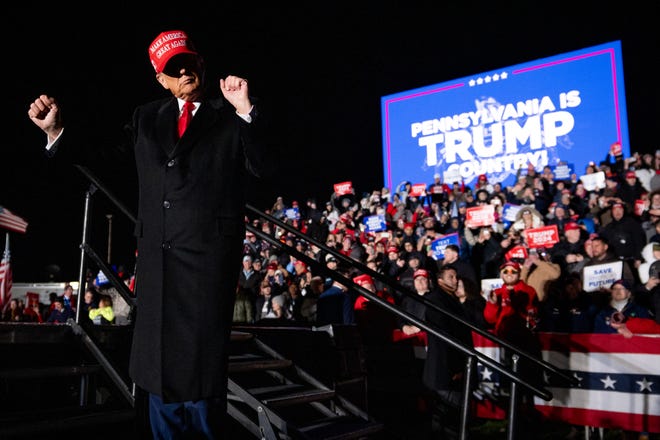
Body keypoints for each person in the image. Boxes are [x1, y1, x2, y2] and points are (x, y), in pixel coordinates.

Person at [28, 29, 273, 439]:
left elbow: (265, 167)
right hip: (159, 267)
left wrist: (246, 109)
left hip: (206, 268)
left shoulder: (229, 116)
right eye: (173, 67)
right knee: (157, 375)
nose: (184, 70)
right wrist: (57, 132)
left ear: (201, 63)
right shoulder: (147, 117)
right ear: (161, 79)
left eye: (188, 61)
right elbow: (105, 158)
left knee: (200, 382)